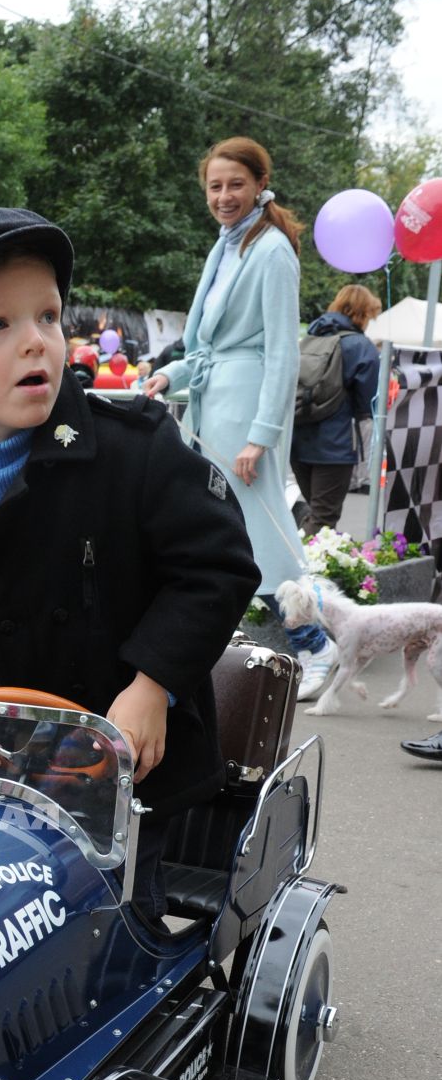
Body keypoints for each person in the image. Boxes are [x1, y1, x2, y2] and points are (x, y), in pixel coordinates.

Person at [0, 207, 259, 922]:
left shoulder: (132, 449)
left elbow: (216, 567)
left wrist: (153, 685)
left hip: (125, 763)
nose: (37, 342)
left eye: (47, 317)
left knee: (111, 927)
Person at [144, 136, 335, 700]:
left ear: (259, 185)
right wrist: (170, 377)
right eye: (215, 186)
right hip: (217, 403)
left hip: (248, 410)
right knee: (223, 527)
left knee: (262, 530)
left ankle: (315, 644)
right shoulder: (228, 245)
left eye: (235, 185)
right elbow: (206, 348)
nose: (224, 196)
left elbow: (282, 350)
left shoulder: (271, 248)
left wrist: (262, 436)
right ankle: (232, 643)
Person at [290, 283, 382, 533]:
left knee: (314, 512)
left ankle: (294, 561)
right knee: (323, 520)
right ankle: (298, 570)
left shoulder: (308, 339)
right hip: (335, 446)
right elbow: (368, 405)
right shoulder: (362, 348)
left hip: (297, 440)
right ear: (364, 314)